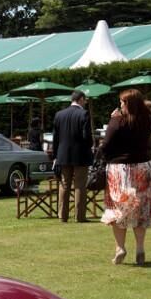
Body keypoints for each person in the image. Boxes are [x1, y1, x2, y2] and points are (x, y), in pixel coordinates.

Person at [100, 89, 151, 265]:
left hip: (120, 169)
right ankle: (140, 247)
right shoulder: (146, 120)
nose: (120, 106)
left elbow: (106, 143)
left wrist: (113, 120)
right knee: (140, 209)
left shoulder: (118, 121)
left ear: (128, 104)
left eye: (122, 103)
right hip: (142, 168)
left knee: (118, 209)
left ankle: (120, 247)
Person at [50, 90, 94, 222]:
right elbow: (87, 136)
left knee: (64, 185)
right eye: (85, 100)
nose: (85, 102)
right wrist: (90, 147)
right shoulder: (84, 114)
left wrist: (55, 155)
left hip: (63, 154)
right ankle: (79, 216)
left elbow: (55, 138)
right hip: (80, 154)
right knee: (80, 185)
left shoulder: (59, 114)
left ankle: (62, 216)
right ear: (81, 99)